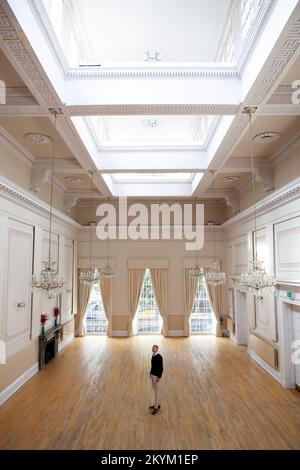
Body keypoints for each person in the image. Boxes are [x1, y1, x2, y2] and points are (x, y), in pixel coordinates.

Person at [149, 344, 163, 415]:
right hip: (152, 375)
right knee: (155, 391)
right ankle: (156, 403)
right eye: (152, 347)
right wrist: (150, 373)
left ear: (157, 349)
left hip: (156, 376)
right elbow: (152, 366)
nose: (153, 348)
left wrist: (158, 377)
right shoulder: (153, 355)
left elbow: (161, 368)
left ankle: (156, 407)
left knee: (156, 392)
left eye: (154, 347)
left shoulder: (159, 357)